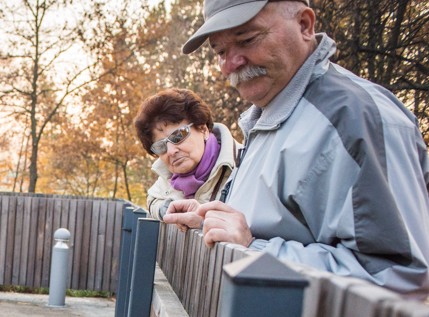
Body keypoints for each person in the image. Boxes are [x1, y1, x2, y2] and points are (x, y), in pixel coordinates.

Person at [166, 0, 429, 299]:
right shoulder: (269, 117)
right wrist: (210, 222)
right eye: (220, 52)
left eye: (247, 39)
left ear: (304, 25)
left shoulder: (354, 120)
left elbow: (398, 278)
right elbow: (275, 223)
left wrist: (253, 250)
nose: (231, 63)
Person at [134, 89, 241, 229]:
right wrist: (166, 209)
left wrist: (203, 222)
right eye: (161, 146)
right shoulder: (168, 176)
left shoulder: (241, 166)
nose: (171, 151)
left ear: (203, 129)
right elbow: (153, 200)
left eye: (178, 136)